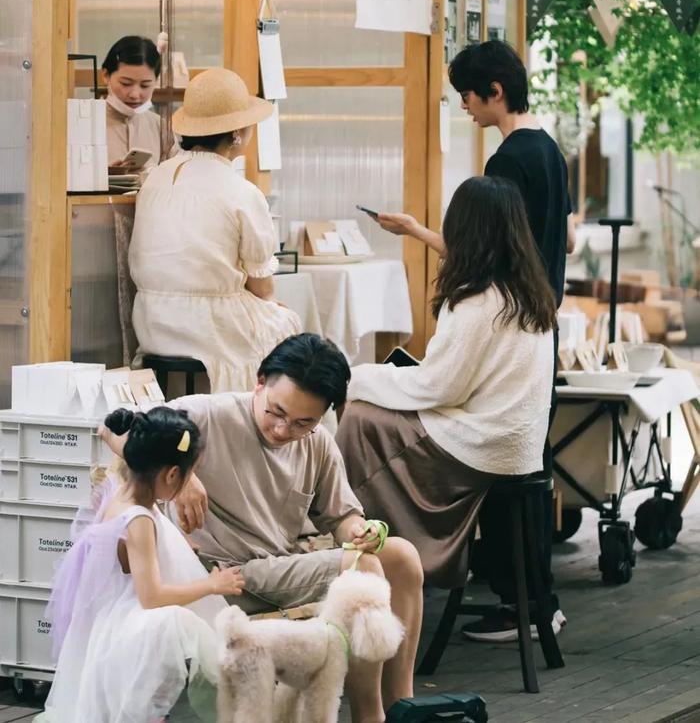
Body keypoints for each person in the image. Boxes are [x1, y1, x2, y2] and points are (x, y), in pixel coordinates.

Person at [377, 40, 575, 641]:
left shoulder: (506, 163)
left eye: (466, 93)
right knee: (530, 467)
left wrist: (418, 234)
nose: (462, 104)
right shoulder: (551, 152)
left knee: (497, 468)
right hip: (540, 324)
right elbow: (559, 246)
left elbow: (489, 261)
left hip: (505, 329)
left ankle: (520, 604)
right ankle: (539, 601)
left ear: (494, 91)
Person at [165, 333, 424, 723]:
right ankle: (370, 716)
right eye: (276, 412)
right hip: (228, 575)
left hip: (280, 568)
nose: (284, 430)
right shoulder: (207, 415)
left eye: (304, 422)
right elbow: (113, 428)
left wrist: (360, 530)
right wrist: (182, 475)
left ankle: (401, 703)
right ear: (260, 381)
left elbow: (340, 518)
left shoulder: (317, 442)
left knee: (401, 557)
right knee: (363, 571)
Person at [336, 176, 556, 589]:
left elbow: (439, 388)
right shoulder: (528, 291)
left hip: (481, 444)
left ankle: (357, 547)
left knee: (360, 420)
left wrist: (356, 378)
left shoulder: (477, 300)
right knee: (371, 415)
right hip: (518, 445)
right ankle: (379, 548)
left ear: (462, 229)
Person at [43, 406, 245, 723]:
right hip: (133, 620)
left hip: (108, 614)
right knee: (187, 633)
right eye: (190, 474)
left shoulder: (122, 486)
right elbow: (151, 596)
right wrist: (212, 585)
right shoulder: (138, 518)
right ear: (172, 475)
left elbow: (109, 435)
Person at [129, 67, 302, 392]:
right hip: (210, 328)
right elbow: (262, 285)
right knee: (292, 327)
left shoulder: (156, 177)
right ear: (237, 133)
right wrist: (271, 305)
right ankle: (272, 430)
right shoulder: (241, 191)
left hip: (152, 322)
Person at [102, 35, 166, 171]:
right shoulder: (85, 124)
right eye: (126, 83)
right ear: (106, 76)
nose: (134, 95)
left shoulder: (160, 127)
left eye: (145, 85)